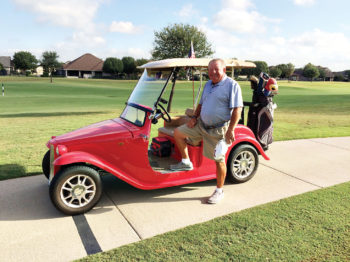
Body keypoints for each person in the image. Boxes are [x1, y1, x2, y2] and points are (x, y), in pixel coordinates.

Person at [170, 58, 243, 204]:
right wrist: (194, 117)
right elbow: (201, 104)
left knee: (218, 160)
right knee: (178, 133)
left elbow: (237, 109)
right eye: (210, 70)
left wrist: (231, 130)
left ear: (224, 70)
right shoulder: (208, 84)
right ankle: (185, 161)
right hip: (201, 125)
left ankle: (219, 191)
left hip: (218, 130)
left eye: (216, 69)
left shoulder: (232, 85)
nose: (213, 73)